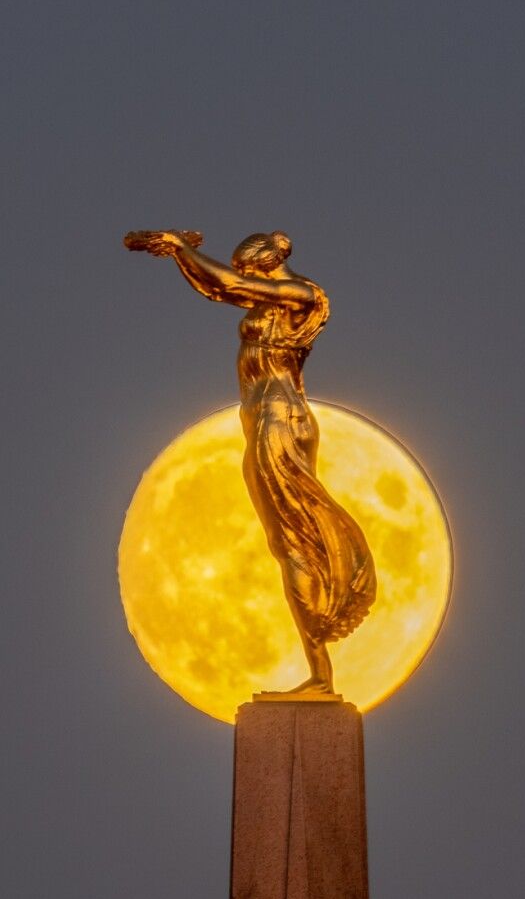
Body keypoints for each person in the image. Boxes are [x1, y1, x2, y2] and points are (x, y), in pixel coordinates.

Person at [124, 228, 375, 695]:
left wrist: (181, 247)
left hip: (280, 419)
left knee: (295, 542)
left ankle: (322, 675)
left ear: (267, 258)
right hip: (262, 420)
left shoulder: (299, 293)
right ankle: (319, 673)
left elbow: (229, 285)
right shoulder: (265, 302)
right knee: (284, 543)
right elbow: (217, 289)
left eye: (247, 263)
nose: (241, 270)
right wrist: (179, 254)